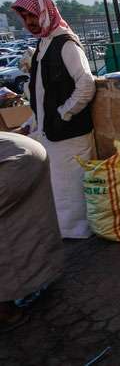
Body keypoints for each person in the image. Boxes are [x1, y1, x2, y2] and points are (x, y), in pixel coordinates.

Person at [11, 0, 96, 239]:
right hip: (53, 133)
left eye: (33, 15)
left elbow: (86, 85)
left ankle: (80, 235)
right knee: (60, 189)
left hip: (70, 133)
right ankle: (67, 234)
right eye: (25, 17)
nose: (29, 22)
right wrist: (31, 122)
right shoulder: (44, 44)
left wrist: (63, 115)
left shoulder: (66, 43)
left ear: (45, 14)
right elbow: (42, 94)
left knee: (72, 190)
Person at [0, 133, 64, 333]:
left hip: (15, 163)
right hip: (28, 152)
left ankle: (7, 312)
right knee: (28, 220)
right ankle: (41, 278)